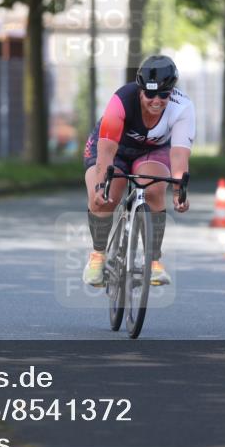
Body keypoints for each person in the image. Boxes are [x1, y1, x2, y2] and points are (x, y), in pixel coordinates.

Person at [82, 55, 194, 287]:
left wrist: (178, 190)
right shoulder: (121, 100)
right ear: (139, 90)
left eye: (163, 94)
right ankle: (97, 255)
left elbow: (179, 155)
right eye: (150, 94)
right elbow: (107, 152)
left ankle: (154, 262)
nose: (156, 100)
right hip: (115, 148)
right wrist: (101, 184)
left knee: (153, 188)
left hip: (151, 151)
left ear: (171, 92)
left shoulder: (182, 107)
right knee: (104, 196)